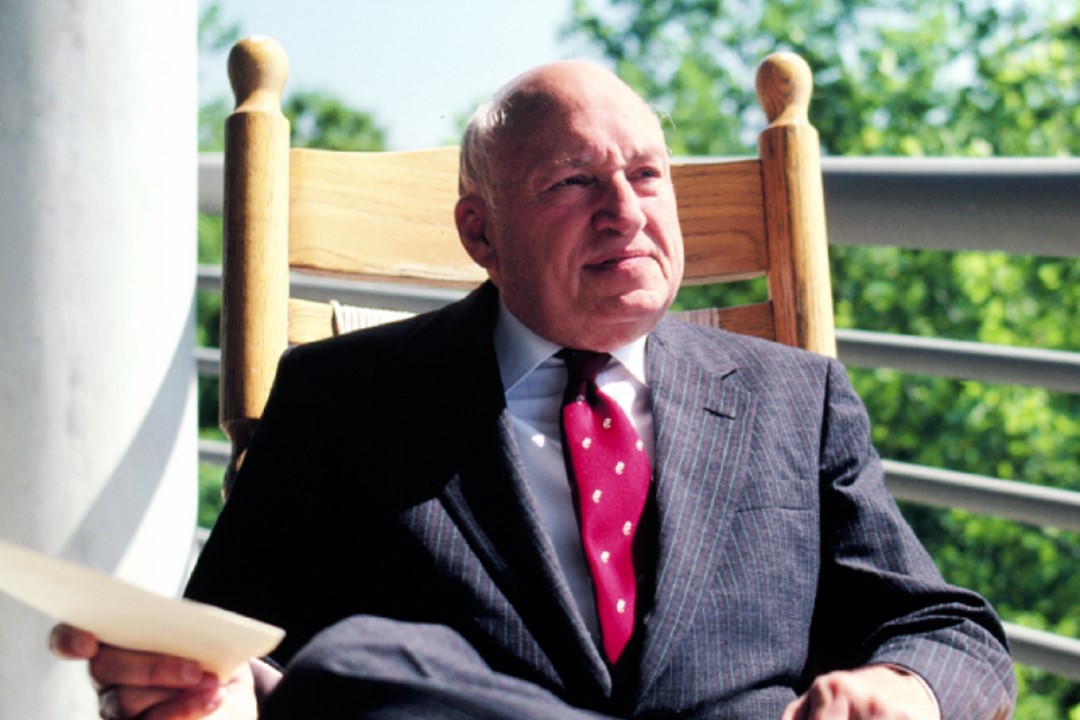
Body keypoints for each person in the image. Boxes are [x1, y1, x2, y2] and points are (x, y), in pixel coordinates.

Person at [51, 60, 1016, 719]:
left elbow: (948, 629)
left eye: (647, 175)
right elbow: (232, 650)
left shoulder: (793, 401)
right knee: (364, 673)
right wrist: (193, 689)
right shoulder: (341, 400)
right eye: (572, 183)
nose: (627, 214)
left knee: (363, 670)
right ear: (481, 233)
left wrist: (903, 688)